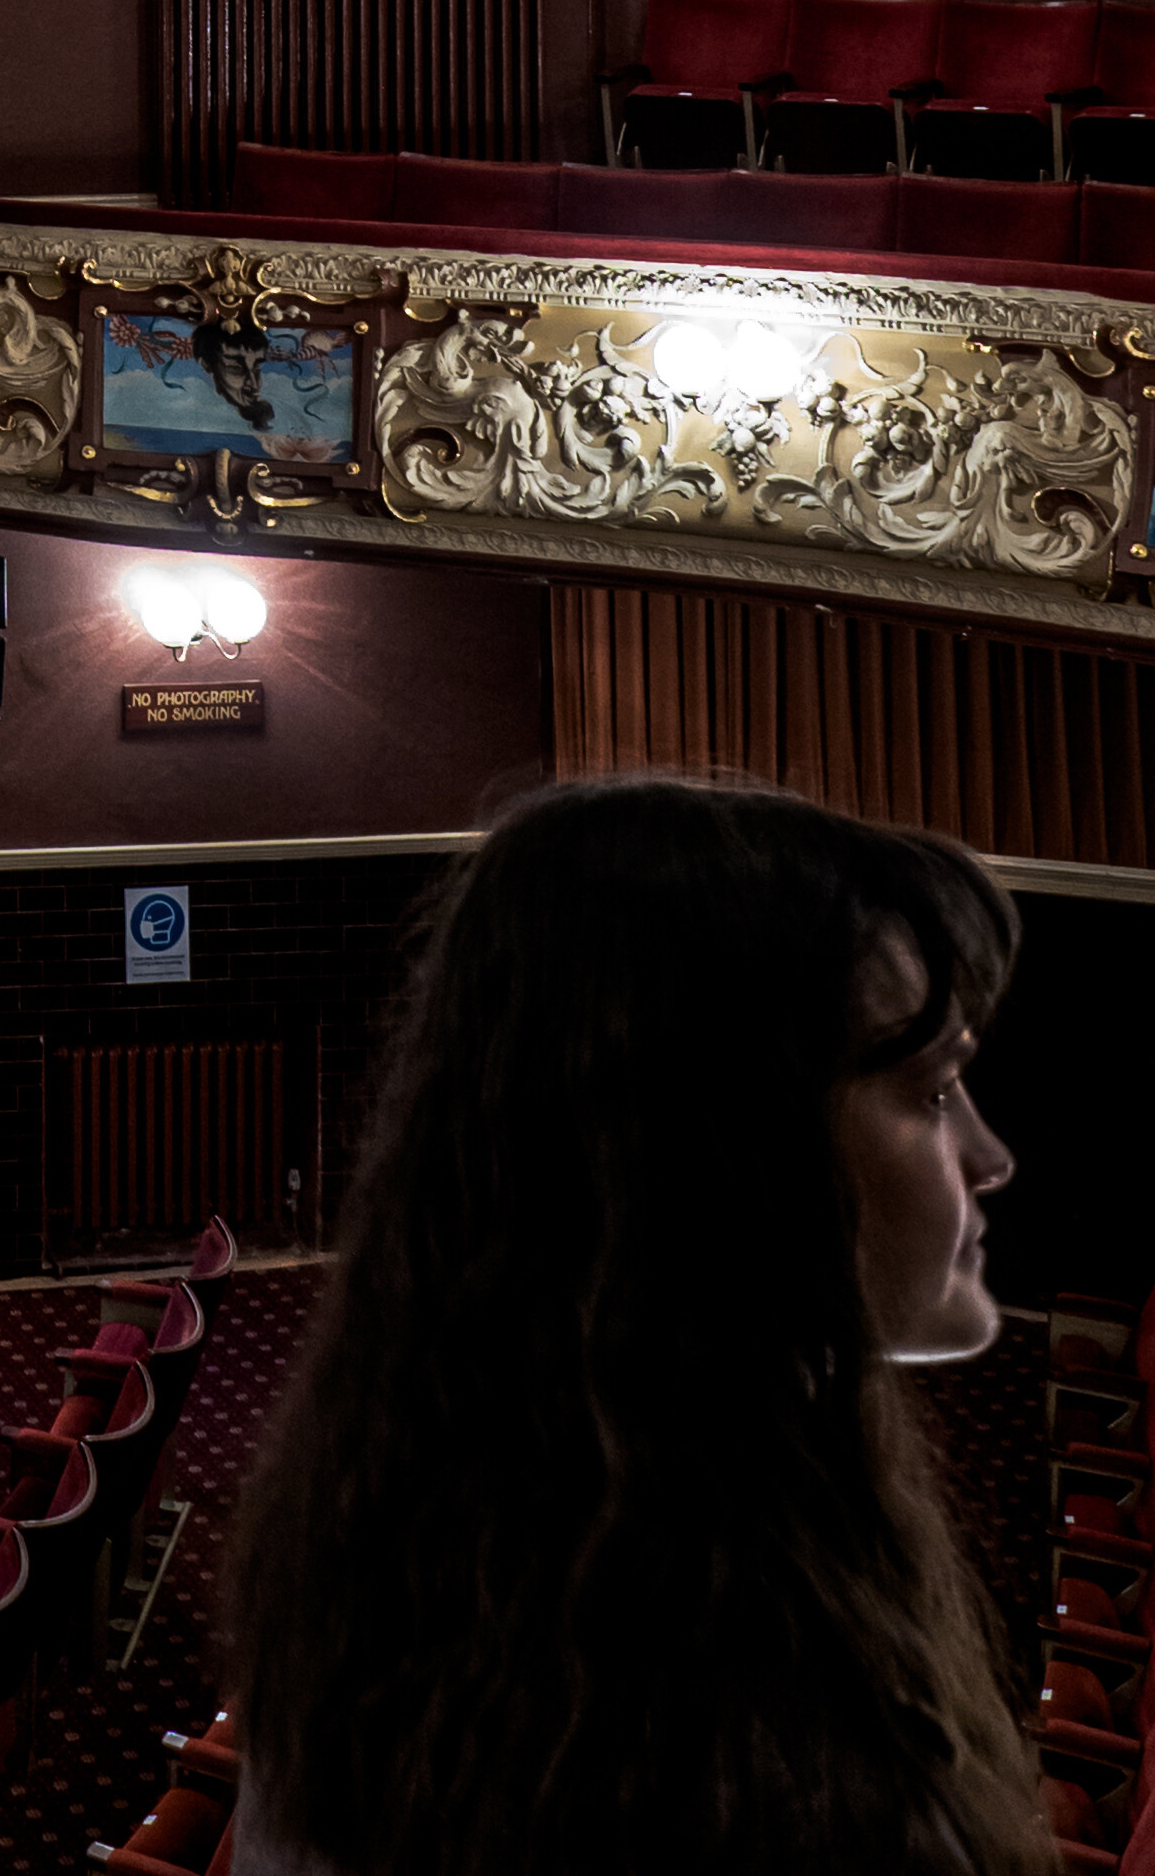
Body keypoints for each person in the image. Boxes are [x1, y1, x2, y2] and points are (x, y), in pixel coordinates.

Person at [219, 775, 1043, 1875]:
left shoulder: (434, 1523)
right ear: (727, 1155)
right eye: (932, 1092)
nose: (992, 1161)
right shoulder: (727, 1741)